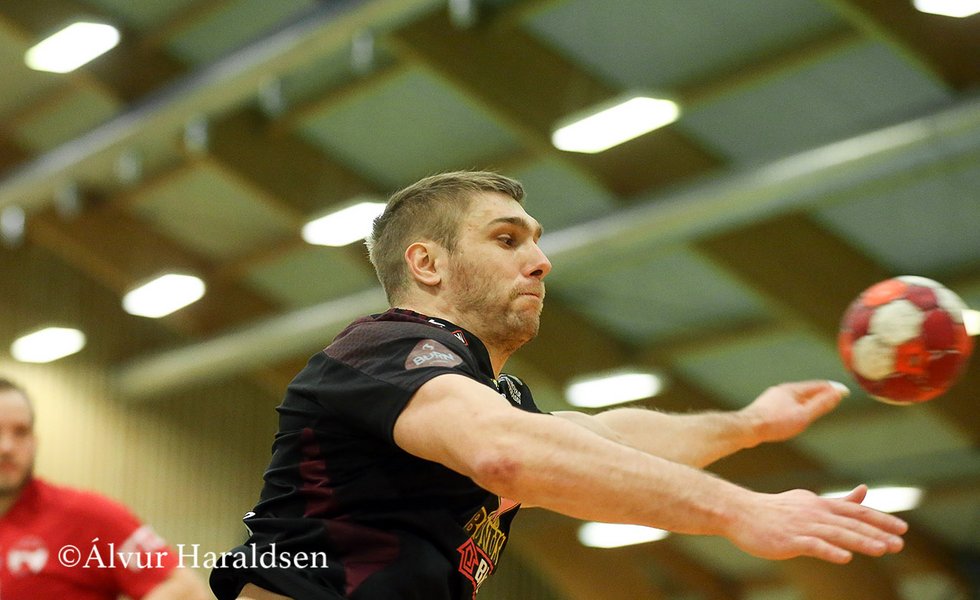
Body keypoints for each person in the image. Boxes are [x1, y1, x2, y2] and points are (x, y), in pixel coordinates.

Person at [209, 171, 907, 600]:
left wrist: (751, 423)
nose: (541, 261)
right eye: (507, 240)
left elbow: (610, 439)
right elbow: (506, 454)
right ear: (427, 264)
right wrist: (741, 512)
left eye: (537, 240)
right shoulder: (385, 348)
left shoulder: (492, 395)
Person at [0, 378, 209, 600]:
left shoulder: (86, 516)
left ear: (34, 441)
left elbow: (186, 591)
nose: (6, 447)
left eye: (21, 432)